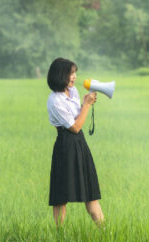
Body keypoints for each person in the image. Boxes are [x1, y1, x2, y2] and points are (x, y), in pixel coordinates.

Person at [46, 57, 104, 227]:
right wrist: (86, 105)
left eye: (74, 73)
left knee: (91, 192)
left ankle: (106, 232)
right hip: (65, 145)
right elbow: (76, 126)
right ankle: (59, 236)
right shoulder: (55, 101)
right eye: (71, 73)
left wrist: (85, 103)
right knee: (60, 196)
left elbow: (79, 120)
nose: (74, 77)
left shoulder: (73, 92)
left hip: (80, 143)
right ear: (60, 75)